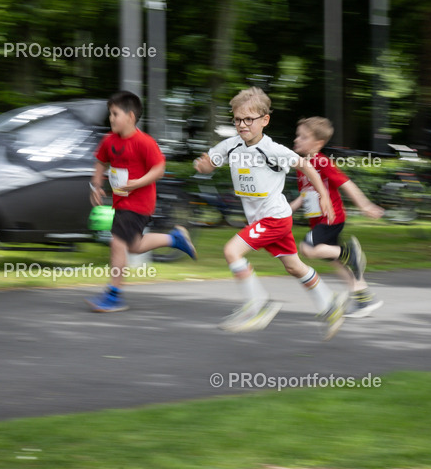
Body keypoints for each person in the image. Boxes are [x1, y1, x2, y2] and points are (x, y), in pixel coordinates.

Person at [193, 87, 347, 339]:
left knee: (231, 251)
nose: (243, 124)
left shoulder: (273, 150)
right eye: (238, 119)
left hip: (274, 218)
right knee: (294, 267)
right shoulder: (230, 146)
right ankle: (330, 303)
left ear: (264, 120)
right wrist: (203, 166)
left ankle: (258, 304)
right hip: (263, 219)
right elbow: (210, 161)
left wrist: (324, 196)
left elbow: (306, 165)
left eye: (249, 119)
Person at [88, 90, 197, 312]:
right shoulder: (109, 140)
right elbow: (101, 162)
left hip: (139, 203)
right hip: (121, 202)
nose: (111, 118)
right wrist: (96, 185)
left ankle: (113, 295)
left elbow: (159, 168)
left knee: (117, 244)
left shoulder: (143, 142)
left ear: (130, 116)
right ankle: (175, 239)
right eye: (110, 113)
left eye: (115, 113)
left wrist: (137, 183)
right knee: (134, 246)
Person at [290, 117, 385, 317]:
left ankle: (348, 252)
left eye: (304, 137)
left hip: (330, 218)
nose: (297, 139)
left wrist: (365, 205)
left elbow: (346, 184)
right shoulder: (303, 165)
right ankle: (363, 299)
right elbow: (306, 193)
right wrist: (289, 209)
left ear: (318, 143)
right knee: (336, 262)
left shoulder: (321, 161)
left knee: (308, 249)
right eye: (297, 135)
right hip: (319, 220)